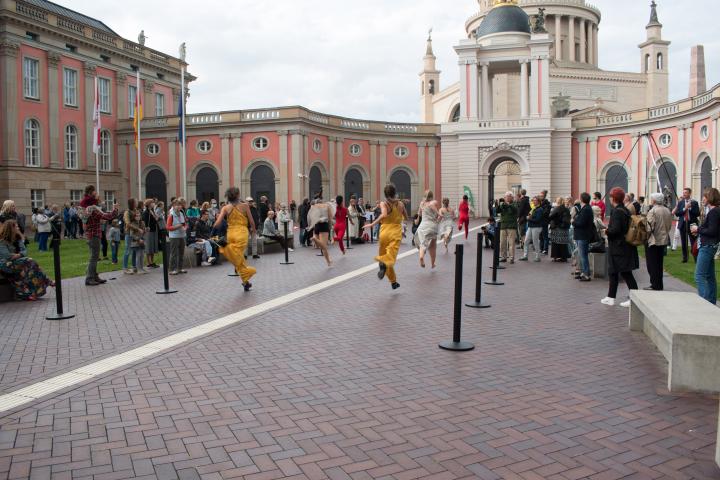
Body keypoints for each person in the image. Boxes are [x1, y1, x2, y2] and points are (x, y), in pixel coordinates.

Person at [364, 184, 407, 290]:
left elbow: (383, 215)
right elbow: (405, 216)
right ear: (394, 192)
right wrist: (399, 216)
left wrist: (372, 224)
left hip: (384, 232)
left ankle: (393, 282)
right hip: (395, 233)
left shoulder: (384, 203)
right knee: (390, 256)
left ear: (385, 194)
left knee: (386, 256)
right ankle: (382, 263)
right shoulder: (401, 204)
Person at [602, 187, 639, 307]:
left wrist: (607, 231)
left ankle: (635, 299)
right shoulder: (624, 209)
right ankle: (610, 297)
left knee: (626, 272)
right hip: (620, 246)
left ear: (613, 198)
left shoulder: (617, 211)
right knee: (612, 271)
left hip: (619, 247)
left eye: (610, 197)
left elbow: (616, 230)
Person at [214, 188, 256, 291]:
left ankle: (245, 282)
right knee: (239, 257)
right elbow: (251, 221)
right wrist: (253, 230)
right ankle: (247, 272)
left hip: (231, 234)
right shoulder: (245, 206)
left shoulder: (225, 208)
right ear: (238, 195)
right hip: (241, 233)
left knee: (238, 258)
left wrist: (213, 230)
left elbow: (217, 223)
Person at [0, 220, 53, 300]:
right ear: (10, 228)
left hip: (19, 262)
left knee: (30, 269)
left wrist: (18, 255)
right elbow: (6, 256)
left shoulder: (18, 239)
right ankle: (47, 281)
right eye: (16, 227)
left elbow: (24, 251)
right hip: (6, 264)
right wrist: (19, 255)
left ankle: (33, 293)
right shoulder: (2, 241)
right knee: (29, 261)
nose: (18, 228)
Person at [690, 187, 719, 304]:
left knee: (699, 275)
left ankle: (705, 301)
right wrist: (700, 229)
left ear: (710, 198)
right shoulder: (716, 211)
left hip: (707, 246)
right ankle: (711, 301)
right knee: (709, 276)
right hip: (711, 245)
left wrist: (698, 229)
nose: (703, 199)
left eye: (705, 196)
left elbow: (712, 231)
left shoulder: (713, 212)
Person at [83, 193, 118, 286]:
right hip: (94, 235)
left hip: (91, 235)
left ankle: (94, 276)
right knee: (94, 258)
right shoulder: (94, 210)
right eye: (98, 199)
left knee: (93, 257)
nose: (100, 200)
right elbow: (108, 216)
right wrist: (115, 209)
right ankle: (90, 278)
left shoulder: (90, 209)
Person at [645, 193, 672, 291]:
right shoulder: (667, 210)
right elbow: (669, 225)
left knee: (652, 264)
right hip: (663, 239)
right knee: (659, 263)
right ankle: (659, 284)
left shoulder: (653, 211)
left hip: (653, 240)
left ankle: (654, 284)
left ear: (654, 200)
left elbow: (649, 227)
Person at [673, 187, 700, 263]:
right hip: (683, 224)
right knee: (683, 242)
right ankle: (685, 258)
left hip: (692, 225)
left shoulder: (694, 202)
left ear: (689, 193)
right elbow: (677, 213)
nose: (684, 194)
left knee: (693, 242)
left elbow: (697, 213)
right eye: (683, 192)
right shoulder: (680, 202)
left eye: (686, 193)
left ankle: (696, 258)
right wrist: (685, 208)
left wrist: (690, 209)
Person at [571, 193, 594, 281]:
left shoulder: (586, 209)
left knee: (583, 256)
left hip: (583, 235)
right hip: (581, 235)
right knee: (581, 255)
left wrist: (573, 221)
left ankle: (586, 274)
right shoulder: (585, 208)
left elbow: (581, 223)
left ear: (582, 199)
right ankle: (583, 272)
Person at [415, 190, 439, 269]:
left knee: (423, 243)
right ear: (431, 196)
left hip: (423, 225)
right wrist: (437, 220)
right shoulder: (433, 203)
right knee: (433, 246)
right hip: (432, 226)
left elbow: (419, 215)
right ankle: (433, 264)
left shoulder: (422, 203)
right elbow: (439, 215)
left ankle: (421, 256)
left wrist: (417, 220)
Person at [307, 198, 335, 267]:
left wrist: (310, 226)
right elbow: (330, 217)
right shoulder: (327, 206)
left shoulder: (314, 207)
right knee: (324, 246)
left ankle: (328, 261)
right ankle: (314, 239)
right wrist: (331, 226)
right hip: (324, 226)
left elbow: (309, 217)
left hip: (316, 225)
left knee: (320, 246)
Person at [166, 198, 187, 275]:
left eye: (180, 205)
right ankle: (171, 269)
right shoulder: (171, 215)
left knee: (181, 253)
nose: (178, 207)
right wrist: (177, 226)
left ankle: (180, 268)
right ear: (173, 206)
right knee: (174, 253)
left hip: (182, 235)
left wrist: (185, 228)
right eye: (177, 205)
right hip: (174, 236)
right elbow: (168, 227)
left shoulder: (181, 214)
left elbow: (185, 223)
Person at [496, 192, 518, 264]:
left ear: (512, 197)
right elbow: (497, 211)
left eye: (508, 196)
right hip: (503, 226)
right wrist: (499, 205)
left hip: (511, 226)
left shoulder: (515, 204)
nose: (507, 198)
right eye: (506, 197)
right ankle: (503, 257)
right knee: (502, 243)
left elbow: (514, 210)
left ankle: (511, 258)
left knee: (511, 243)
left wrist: (508, 205)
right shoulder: (503, 204)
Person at [520, 197, 544, 262]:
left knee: (535, 242)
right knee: (526, 241)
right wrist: (529, 217)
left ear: (538, 201)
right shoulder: (533, 209)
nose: (533, 201)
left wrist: (529, 218)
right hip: (531, 226)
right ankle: (525, 256)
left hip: (536, 227)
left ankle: (538, 256)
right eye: (533, 200)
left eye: (535, 200)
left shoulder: (540, 209)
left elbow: (538, 219)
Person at [549, 196, 572, 263]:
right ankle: (564, 257)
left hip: (557, 227)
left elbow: (550, 216)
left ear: (557, 202)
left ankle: (556, 256)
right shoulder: (566, 209)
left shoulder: (556, 208)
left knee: (555, 242)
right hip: (565, 228)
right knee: (563, 243)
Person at [126, 210, 147, 275]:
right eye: (136, 216)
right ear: (134, 217)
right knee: (138, 255)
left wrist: (145, 231)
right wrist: (138, 239)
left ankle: (142, 268)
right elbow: (131, 234)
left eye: (139, 216)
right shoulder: (132, 224)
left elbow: (143, 232)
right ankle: (138, 269)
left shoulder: (142, 223)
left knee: (142, 255)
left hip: (142, 241)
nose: (138, 217)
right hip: (135, 242)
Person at [122, 198, 139, 274]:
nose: (137, 203)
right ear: (132, 203)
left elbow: (139, 219)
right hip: (129, 233)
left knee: (134, 249)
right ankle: (125, 268)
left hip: (135, 233)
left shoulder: (136, 210)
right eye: (135, 202)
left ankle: (134, 266)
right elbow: (128, 223)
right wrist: (136, 228)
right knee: (127, 250)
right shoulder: (127, 212)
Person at [142, 199, 160, 269]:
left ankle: (152, 261)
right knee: (149, 246)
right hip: (149, 231)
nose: (153, 204)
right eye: (152, 203)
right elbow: (144, 221)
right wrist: (146, 227)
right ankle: (149, 262)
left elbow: (156, 219)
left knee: (152, 246)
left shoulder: (152, 211)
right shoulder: (146, 212)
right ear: (149, 204)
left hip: (154, 230)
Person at [539, 190, 552, 255]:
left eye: (541, 196)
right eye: (540, 196)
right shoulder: (539, 203)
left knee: (545, 236)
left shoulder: (547, 204)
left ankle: (545, 250)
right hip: (539, 222)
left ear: (544, 196)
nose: (540, 197)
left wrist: (540, 212)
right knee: (540, 236)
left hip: (544, 221)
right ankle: (541, 249)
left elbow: (546, 213)